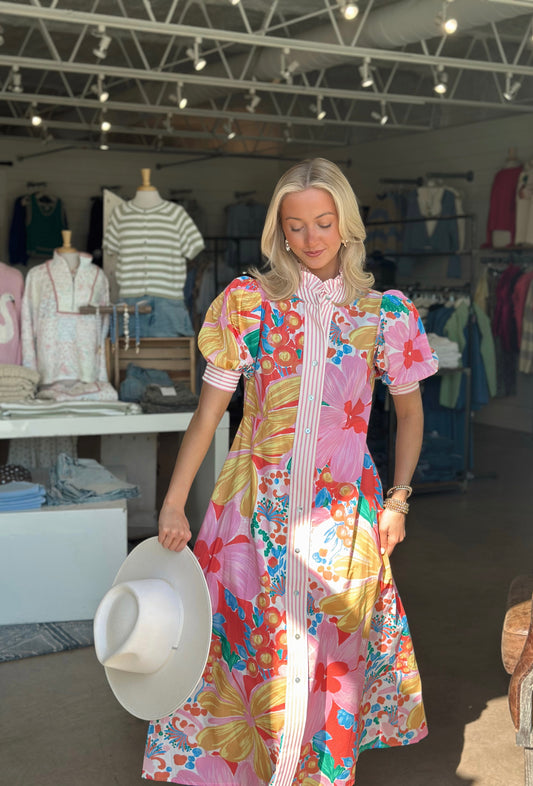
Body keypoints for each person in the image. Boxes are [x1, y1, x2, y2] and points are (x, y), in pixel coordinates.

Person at [142, 158, 439, 785]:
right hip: (252, 519)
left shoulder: (384, 314)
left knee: (329, 662)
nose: (311, 239)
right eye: (296, 226)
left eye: (324, 223)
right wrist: (174, 504)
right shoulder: (248, 306)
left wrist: (399, 501)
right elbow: (207, 418)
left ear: (346, 225)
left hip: (342, 525)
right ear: (279, 231)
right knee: (253, 658)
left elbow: (410, 417)